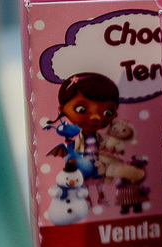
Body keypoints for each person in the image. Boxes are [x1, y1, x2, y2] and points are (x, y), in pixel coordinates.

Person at [49, 72, 121, 204]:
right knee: (84, 182)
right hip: (84, 164)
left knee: (99, 181)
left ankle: (101, 197)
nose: (96, 117)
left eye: (108, 112)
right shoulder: (79, 138)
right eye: (81, 109)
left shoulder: (99, 136)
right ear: (62, 109)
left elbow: (104, 144)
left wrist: (110, 148)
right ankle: (86, 199)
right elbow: (75, 150)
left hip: (98, 163)